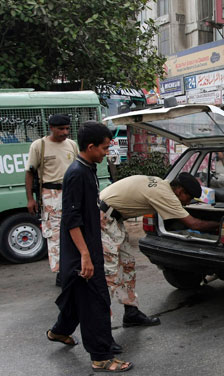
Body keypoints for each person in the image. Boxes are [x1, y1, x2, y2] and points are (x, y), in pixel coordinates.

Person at [47, 121, 133, 373]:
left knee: (76, 299)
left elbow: (87, 209)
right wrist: (85, 255)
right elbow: (71, 219)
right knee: (96, 303)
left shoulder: (89, 168)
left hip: (88, 247)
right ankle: (101, 356)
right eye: (105, 148)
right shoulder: (77, 173)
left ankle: (58, 331)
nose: (107, 153)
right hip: (81, 252)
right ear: (91, 146)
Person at [99, 173, 219, 327]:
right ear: (180, 191)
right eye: (189, 199)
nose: (188, 203)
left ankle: (131, 312)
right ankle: (101, 331)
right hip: (101, 218)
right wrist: (219, 224)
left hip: (113, 219)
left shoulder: (163, 184)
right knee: (108, 275)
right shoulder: (165, 195)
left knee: (127, 265)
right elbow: (194, 224)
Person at [25, 114, 79, 285]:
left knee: (75, 231)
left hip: (71, 193)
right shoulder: (39, 145)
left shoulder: (72, 145)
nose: (65, 132)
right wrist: (30, 199)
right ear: (51, 128)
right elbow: (29, 173)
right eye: (61, 129)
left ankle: (73, 268)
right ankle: (60, 272)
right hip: (51, 195)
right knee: (55, 234)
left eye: (67, 129)